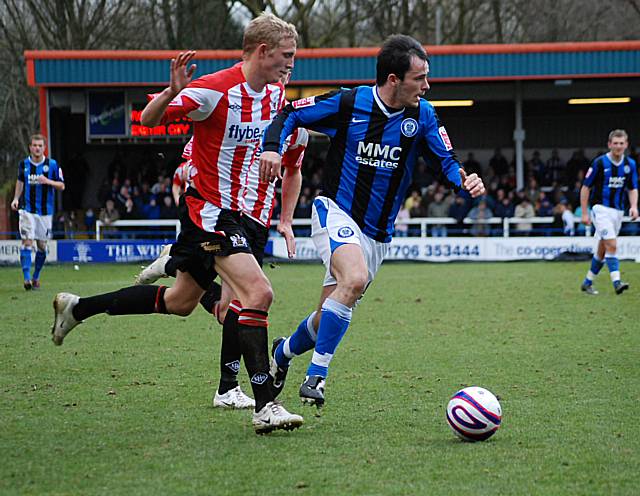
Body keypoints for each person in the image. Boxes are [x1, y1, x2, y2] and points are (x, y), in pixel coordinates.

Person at [51, 13, 303, 434]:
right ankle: (266, 404)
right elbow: (148, 120)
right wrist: (171, 91)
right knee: (258, 292)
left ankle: (79, 307)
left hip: (248, 218)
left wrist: (286, 220)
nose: (291, 63)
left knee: (181, 302)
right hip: (211, 213)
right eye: (286, 55)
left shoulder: (276, 97)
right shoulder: (213, 90)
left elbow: (292, 153)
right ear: (262, 52)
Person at [260, 34, 485, 408]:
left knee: (325, 317)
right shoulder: (349, 102)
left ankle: (283, 352)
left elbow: (446, 160)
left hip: (377, 235)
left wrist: (464, 178)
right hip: (335, 211)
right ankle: (316, 377)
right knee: (354, 278)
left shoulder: (423, 115)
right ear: (394, 80)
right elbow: (291, 112)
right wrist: (272, 146)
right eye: (420, 78)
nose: (427, 86)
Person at [135, 70, 308, 411]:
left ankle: (172, 261)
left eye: (289, 67)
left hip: (257, 220)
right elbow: (188, 160)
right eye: (280, 65)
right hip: (220, 218)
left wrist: (286, 220)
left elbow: (293, 171)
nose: (283, 74)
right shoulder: (233, 111)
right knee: (244, 301)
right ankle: (235, 390)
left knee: (223, 308)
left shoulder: (294, 124)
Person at [580, 129, 638, 295]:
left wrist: (634, 206)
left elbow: (633, 188)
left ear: (626, 145)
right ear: (609, 144)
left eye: (621, 143)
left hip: (618, 212)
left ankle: (587, 282)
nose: (618, 146)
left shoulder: (630, 164)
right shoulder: (599, 163)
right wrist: (585, 213)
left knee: (603, 249)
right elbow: (585, 187)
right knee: (612, 244)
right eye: (615, 143)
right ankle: (617, 283)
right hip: (600, 209)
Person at [10, 134, 65, 290]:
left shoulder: (52, 165)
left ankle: (36, 277)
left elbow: (62, 186)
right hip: (27, 210)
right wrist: (15, 198)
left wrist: (47, 181)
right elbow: (20, 182)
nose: (37, 148)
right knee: (27, 241)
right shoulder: (24, 165)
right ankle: (26, 278)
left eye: (40, 145)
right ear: (30, 147)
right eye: (34, 145)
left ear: (44, 147)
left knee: (42, 246)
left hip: (45, 213)